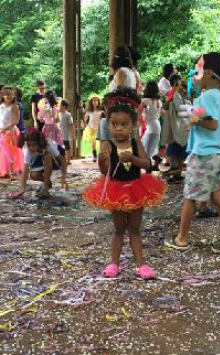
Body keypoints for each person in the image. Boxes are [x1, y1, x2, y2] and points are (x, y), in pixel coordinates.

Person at [167, 52, 220, 253]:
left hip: (204, 155)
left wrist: (191, 115)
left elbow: (211, 123)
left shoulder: (207, 97)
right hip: (217, 154)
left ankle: (182, 238)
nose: (194, 76)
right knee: (216, 195)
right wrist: (193, 119)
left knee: (189, 196)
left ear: (209, 73)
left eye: (197, 72)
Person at [83, 89, 166, 279]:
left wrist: (133, 159)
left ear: (133, 125)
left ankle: (140, 265)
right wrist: (103, 160)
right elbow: (105, 173)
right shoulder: (107, 145)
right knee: (119, 228)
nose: (119, 128)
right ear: (108, 125)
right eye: (114, 124)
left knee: (135, 228)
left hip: (137, 189)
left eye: (124, 124)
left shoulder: (136, 142)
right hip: (116, 190)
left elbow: (147, 164)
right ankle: (114, 264)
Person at [14, 128, 67, 199]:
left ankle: (46, 188)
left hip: (53, 160)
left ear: (39, 143)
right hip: (39, 158)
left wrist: (63, 178)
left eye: (34, 145)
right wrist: (22, 189)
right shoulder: (28, 151)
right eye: (29, 145)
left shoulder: (48, 145)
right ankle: (48, 182)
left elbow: (63, 161)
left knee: (47, 155)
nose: (31, 148)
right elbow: (25, 172)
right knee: (33, 175)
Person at [161, 73, 188, 181]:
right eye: (179, 81)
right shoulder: (175, 94)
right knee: (176, 151)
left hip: (176, 126)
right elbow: (179, 108)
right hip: (178, 126)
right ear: (177, 82)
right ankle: (176, 174)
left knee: (175, 151)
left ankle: (176, 174)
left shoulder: (175, 93)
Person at [0, 86, 24, 178]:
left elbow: (16, 121)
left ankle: (12, 171)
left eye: (11, 94)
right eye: (7, 94)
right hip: (2, 132)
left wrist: (4, 129)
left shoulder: (15, 106)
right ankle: (4, 171)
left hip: (11, 133)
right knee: (3, 152)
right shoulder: (1, 106)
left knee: (11, 152)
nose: (9, 96)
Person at [140, 81, 162, 163]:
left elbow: (138, 112)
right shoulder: (159, 102)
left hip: (151, 127)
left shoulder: (146, 100)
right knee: (151, 147)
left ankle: (148, 169)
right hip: (157, 125)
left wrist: (142, 124)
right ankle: (156, 160)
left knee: (146, 150)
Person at [83, 94, 102, 162]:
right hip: (91, 128)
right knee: (93, 143)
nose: (95, 102)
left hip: (98, 128)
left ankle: (101, 155)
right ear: (91, 102)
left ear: (99, 102)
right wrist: (85, 122)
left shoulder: (101, 111)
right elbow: (85, 118)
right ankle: (94, 155)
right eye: (94, 101)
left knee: (100, 142)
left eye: (97, 100)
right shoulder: (89, 111)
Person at [59, 99, 75, 165]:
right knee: (63, 147)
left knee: (67, 147)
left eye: (59, 105)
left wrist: (72, 133)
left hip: (66, 134)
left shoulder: (68, 115)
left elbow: (71, 124)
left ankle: (68, 160)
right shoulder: (59, 115)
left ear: (64, 106)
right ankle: (65, 159)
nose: (58, 107)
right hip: (61, 134)